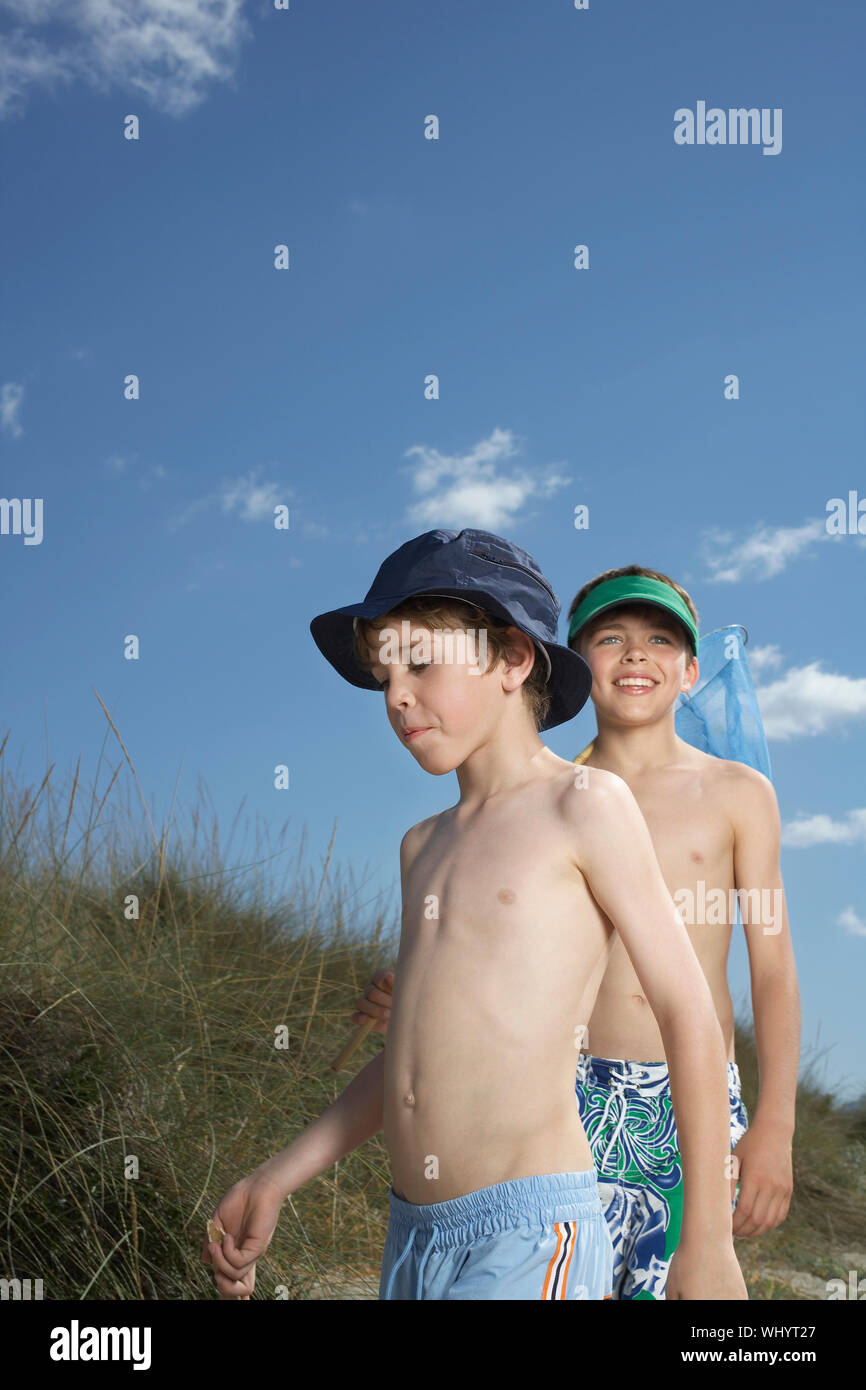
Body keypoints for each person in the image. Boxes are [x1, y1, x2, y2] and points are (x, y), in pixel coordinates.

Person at [203, 531, 746, 1301]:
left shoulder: (583, 804)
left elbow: (689, 1014)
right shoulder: (420, 846)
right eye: (385, 674)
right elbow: (414, 1061)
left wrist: (707, 1243)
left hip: (530, 1231)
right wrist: (277, 1176)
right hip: (414, 1238)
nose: (396, 695)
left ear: (513, 659)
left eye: (421, 664)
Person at [353, 563, 799, 1300]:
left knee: (690, 1285)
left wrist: (774, 1126)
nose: (633, 655)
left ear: (690, 671)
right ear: (567, 661)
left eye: (659, 639)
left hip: (683, 1093)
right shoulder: (546, 797)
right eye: (609, 638)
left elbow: (774, 970)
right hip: (569, 1093)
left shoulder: (737, 794)